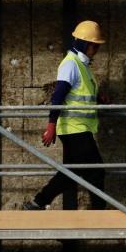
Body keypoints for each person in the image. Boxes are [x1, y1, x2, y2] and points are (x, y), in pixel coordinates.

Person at [23, 20, 107, 211]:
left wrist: (98, 97)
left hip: (78, 127)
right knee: (96, 171)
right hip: (73, 127)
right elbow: (58, 95)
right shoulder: (71, 64)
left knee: (72, 172)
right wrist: (51, 124)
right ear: (84, 44)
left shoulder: (83, 66)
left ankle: (38, 202)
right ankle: (99, 213)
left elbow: (79, 94)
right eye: (94, 45)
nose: (96, 50)